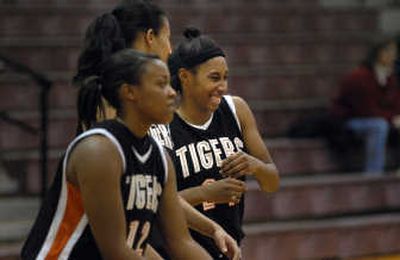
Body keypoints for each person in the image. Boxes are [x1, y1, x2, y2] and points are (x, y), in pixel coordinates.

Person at [72, 1, 240, 259]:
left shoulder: (153, 150)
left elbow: (166, 213)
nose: (171, 49)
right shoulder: (104, 139)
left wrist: (211, 227)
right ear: (150, 37)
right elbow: (118, 245)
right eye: (168, 37)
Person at [21, 49, 213, 259]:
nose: (172, 93)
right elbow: (116, 252)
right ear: (129, 92)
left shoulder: (159, 157)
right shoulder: (99, 151)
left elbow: (181, 242)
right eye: (161, 84)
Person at [150, 27, 280, 259]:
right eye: (214, 78)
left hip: (230, 246)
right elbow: (159, 205)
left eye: (225, 77)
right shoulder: (162, 126)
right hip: (183, 250)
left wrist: (255, 166)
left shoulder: (236, 109)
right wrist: (205, 193)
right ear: (185, 77)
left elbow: (272, 182)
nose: (223, 86)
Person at [331, 37, 400, 174]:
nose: (394, 57)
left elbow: (395, 104)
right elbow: (366, 110)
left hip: (379, 117)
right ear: (380, 53)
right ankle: (373, 174)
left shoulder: (390, 77)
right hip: (350, 120)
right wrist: (392, 119)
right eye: (390, 52)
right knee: (379, 126)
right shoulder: (359, 76)